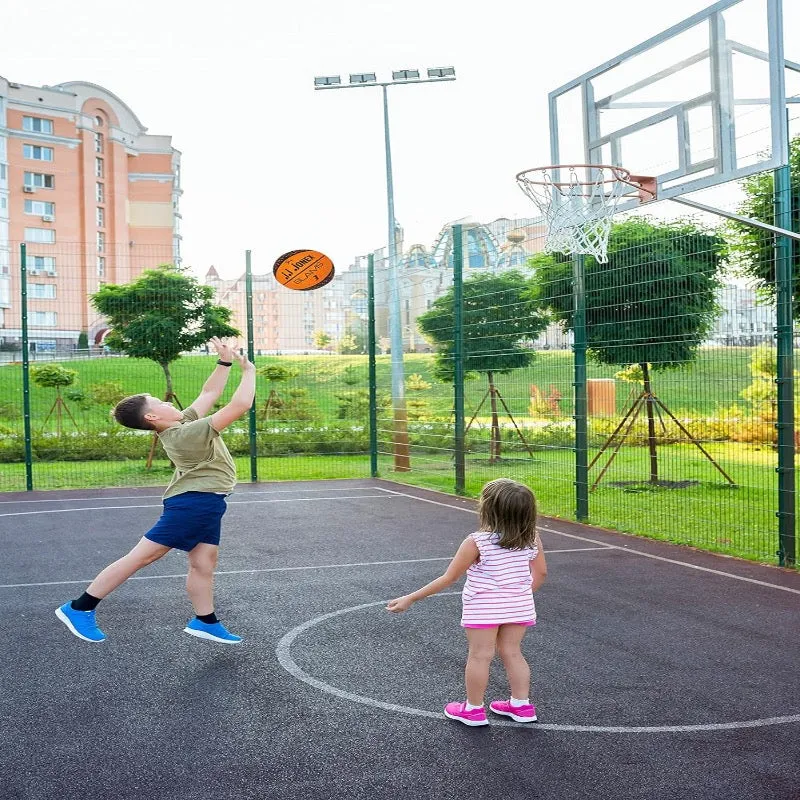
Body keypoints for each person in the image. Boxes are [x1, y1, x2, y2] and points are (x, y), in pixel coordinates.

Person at [55, 338, 256, 645]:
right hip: (195, 504)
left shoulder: (181, 424)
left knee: (203, 562)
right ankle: (80, 607)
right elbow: (240, 405)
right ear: (152, 417)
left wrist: (224, 362)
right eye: (159, 403)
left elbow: (209, 393)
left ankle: (205, 621)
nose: (167, 402)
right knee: (142, 557)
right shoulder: (186, 433)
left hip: (203, 501)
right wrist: (249, 371)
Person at [387, 478, 547, 727]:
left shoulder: (477, 542)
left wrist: (411, 597)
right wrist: (522, 595)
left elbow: (449, 577)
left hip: (483, 608)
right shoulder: (531, 538)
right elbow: (541, 573)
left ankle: (473, 710)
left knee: (480, 656)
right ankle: (521, 705)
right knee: (513, 652)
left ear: (488, 509)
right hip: (519, 606)